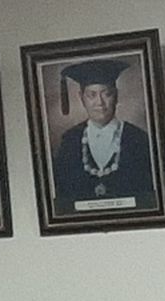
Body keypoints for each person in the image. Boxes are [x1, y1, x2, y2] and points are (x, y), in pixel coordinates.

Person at [52, 59, 155, 212]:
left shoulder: (138, 139)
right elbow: (62, 194)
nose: (99, 102)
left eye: (106, 94)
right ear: (82, 98)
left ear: (116, 96)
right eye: (91, 95)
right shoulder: (70, 140)